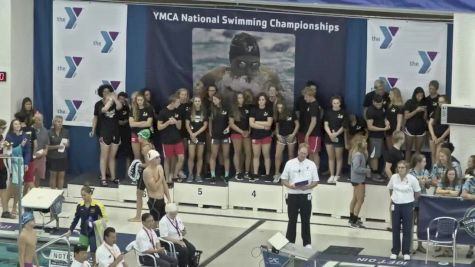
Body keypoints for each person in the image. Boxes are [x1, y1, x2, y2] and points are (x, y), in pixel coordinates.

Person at [199, 32, 282, 103]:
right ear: (231, 61)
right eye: (241, 65)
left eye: (254, 65)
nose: (248, 71)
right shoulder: (216, 76)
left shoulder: (269, 78)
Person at [281, 143, 319, 248]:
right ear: (298, 151)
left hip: (306, 195)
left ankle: (307, 243)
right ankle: (290, 241)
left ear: (307, 154)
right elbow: (283, 179)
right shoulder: (289, 163)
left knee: (305, 220)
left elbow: (316, 181)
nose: (303, 155)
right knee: (292, 219)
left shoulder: (311, 164)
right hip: (292, 195)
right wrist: (290, 186)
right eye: (301, 153)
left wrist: (306, 187)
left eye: (305, 154)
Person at [387, 160, 421, 261]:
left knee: (407, 229)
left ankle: (406, 252)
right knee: (395, 229)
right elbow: (390, 189)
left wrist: (411, 202)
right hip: (396, 205)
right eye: (399, 167)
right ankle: (395, 251)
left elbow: (417, 193)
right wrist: (394, 199)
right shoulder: (393, 177)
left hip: (408, 206)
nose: (400, 169)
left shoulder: (412, 179)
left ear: (407, 169)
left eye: (402, 167)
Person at [67, 184, 108, 266]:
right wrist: (70, 230)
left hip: (93, 233)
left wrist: (95, 223)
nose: (83, 197)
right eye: (82, 195)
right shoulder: (80, 206)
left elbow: (105, 219)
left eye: (85, 195)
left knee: (94, 252)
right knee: (81, 252)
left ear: (90, 194)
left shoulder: (97, 206)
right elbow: (76, 219)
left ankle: (94, 265)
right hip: (83, 233)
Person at [91, 84, 123, 186]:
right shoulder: (98, 104)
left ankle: (113, 177)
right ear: (101, 93)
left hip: (115, 131)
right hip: (104, 131)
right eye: (104, 91)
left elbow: (119, 107)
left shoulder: (114, 102)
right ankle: (103, 177)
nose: (106, 93)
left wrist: (114, 99)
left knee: (112, 156)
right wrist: (93, 129)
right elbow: (98, 115)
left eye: (108, 91)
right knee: (104, 156)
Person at [5, 119, 31, 215]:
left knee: (19, 186)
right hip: (11, 163)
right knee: (12, 186)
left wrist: (26, 163)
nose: (17, 125)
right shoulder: (9, 136)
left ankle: (14, 207)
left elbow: (27, 151)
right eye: (15, 124)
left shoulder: (25, 136)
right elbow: (7, 150)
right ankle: (5, 206)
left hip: (20, 163)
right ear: (12, 126)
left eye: (19, 123)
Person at [128, 129, 155, 222]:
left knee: (139, 194)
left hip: (146, 174)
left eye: (139, 136)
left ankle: (138, 217)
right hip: (150, 173)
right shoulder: (150, 145)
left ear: (144, 137)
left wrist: (138, 165)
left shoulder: (145, 148)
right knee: (149, 195)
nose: (137, 138)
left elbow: (149, 164)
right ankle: (152, 216)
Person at [159, 203, 197, 267]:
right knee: (184, 251)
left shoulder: (177, 218)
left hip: (180, 239)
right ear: (167, 212)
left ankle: (191, 264)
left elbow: (182, 229)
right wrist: (178, 242)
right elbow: (164, 237)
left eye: (175, 213)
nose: (174, 215)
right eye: (172, 213)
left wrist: (184, 231)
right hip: (170, 242)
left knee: (192, 249)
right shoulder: (163, 221)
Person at [157, 95, 184, 183]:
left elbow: (179, 127)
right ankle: (167, 178)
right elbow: (159, 127)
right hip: (167, 140)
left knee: (181, 158)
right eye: (178, 102)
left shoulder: (178, 111)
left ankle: (175, 175)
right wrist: (168, 122)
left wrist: (175, 122)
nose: (179, 104)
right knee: (167, 160)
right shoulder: (163, 112)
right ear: (172, 103)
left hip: (177, 139)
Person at [409, 153, 431, 254]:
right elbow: (409, 186)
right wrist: (418, 183)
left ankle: (420, 245)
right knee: (410, 224)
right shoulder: (410, 173)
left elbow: (428, 187)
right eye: (424, 161)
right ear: (418, 163)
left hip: (423, 202)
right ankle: (409, 246)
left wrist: (427, 182)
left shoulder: (425, 171)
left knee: (421, 225)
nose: (425, 163)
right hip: (412, 201)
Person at [366, 94, 390, 182]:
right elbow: (370, 126)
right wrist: (383, 129)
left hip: (382, 136)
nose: (379, 106)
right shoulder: (370, 111)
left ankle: (381, 172)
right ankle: (374, 173)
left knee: (380, 155)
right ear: (373, 102)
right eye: (377, 104)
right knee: (374, 156)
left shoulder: (382, 108)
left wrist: (386, 122)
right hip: (374, 137)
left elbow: (384, 118)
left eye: (380, 104)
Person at [249, 93, 273, 181]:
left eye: (263, 99)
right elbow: (251, 124)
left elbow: (269, 123)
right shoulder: (253, 110)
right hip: (256, 136)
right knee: (256, 155)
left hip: (266, 136)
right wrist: (263, 126)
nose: (261, 101)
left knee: (266, 155)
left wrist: (256, 122)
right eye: (260, 100)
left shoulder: (269, 110)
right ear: (257, 101)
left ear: (265, 101)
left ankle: (267, 174)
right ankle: (255, 174)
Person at [274, 100, 299, 183]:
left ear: (284, 106)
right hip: (281, 136)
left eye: (281, 107)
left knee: (291, 155)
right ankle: (277, 174)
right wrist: (277, 135)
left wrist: (293, 134)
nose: (279, 109)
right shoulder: (277, 114)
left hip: (290, 136)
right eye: (278, 108)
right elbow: (277, 126)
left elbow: (297, 124)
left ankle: (289, 175)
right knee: (278, 155)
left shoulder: (290, 112)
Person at [324, 96, 348, 183]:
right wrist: (330, 134)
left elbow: (344, 126)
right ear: (331, 103)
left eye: (337, 103)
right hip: (329, 137)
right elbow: (326, 124)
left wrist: (336, 134)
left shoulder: (344, 112)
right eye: (334, 103)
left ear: (340, 103)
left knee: (339, 157)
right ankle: (331, 175)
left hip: (339, 137)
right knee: (331, 157)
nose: (336, 104)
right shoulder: (328, 112)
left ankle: (337, 175)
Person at [229, 92, 252, 181]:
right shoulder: (233, 109)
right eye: (238, 98)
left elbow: (250, 120)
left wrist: (249, 131)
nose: (240, 99)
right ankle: (238, 172)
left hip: (246, 133)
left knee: (248, 152)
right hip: (236, 133)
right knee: (237, 152)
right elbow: (231, 124)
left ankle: (246, 172)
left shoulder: (247, 108)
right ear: (236, 99)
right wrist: (241, 131)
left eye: (241, 97)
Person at [209, 93, 231, 183]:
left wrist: (228, 127)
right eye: (213, 99)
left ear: (220, 99)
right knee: (213, 155)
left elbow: (230, 121)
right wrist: (210, 132)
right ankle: (213, 175)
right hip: (215, 136)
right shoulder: (211, 109)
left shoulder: (226, 108)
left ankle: (226, 175)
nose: (214, 101)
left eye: (215, 99)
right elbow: (210, 122)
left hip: (225, 136)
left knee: (226, 156)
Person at [144, 150, 171, 222]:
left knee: (163, 223)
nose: (160, 159)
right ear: (151, 160)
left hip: (162, 200)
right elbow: (154, 188)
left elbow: (164, 184)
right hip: (154, 202)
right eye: (157, 158)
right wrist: (161, 176)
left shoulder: (159, 167)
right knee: (155, 224)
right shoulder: (147, 172)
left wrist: (169, 198)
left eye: (159, 157)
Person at [349, 138, 371, 228]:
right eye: (364, 142)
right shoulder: (358, 155)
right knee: (360, 200)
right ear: (360, 144)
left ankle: (352, 218)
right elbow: (356, 168)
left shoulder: (359, 153)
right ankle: (354, 221)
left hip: (356, 179)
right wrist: (367, 170)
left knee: (355, 198)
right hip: (358, 180)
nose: (366, 143)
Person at [298, 86, 322, 168]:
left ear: (309, 95)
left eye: (305, 96)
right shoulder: (310, 105)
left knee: (315, 153)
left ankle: (316, 172)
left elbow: (314, 121)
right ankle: (310, 171)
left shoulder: (314, 105)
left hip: (314, 133)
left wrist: (307, 134)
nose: (304, 98)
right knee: (310, 152)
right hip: (310, 133)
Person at [186, 96, 208, 183]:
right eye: (196, 101)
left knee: (199, 156)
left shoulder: (204, 112)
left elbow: (205, 125)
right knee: (191, 156)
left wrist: (196, 133)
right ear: (193, 102)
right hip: (191, 137)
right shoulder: (189, 112)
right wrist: (191, 134)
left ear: (201, 102)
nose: (197, 102)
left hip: (200, 136)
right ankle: (190, 174)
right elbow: (187, 124)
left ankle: (198, 175)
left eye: (199, 101)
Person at [15, 112, 37, 196]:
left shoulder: (18, 131)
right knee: (27, 180)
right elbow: (36, 144)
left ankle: (38, 198)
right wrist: (33, 155)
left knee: (29, 181)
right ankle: (24, 199)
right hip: (30, 159)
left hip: (20, 160)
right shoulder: (32, 129)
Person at [403, 87, 427, 162]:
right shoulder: (409, 102)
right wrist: (416, 110)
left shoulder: (424, 102)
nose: (420, 97)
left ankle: (416, 167)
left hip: (421, 129)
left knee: (418, 150)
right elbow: (406, 116)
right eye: (418, 95)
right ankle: (407, 166)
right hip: (410, 128)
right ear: (415, 94)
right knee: (408, 149)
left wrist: (425, 111)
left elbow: (425, 119)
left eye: (422, 95)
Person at [129, 92, 154, 160]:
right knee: (137, 156)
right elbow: (131, 124)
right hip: (135, 134)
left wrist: (136, 123)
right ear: (136, 100)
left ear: (144, 100)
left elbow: (149, 123)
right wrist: (143, 122)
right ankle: (137, 170)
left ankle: (146, 170)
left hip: (145, 134)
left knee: (146, 155)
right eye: (138, 100)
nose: (139, 102)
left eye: (141, 100)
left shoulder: (149, 108)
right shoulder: (133, 109)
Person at [47, 115, 69, 190]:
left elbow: (68, 144)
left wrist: (67, 144)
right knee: (53, 175)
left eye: (61, 122)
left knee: (61, 175)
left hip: (62, 157)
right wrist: (57, 147)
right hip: (52, 157)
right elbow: (47, 147)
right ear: (54, 122)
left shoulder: (66, 131)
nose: (60, 123)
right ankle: (52, 194)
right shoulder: (49, 132)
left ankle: (59, 193)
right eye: (58, 122)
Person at [428, 95, 450, 164]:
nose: (440, 104)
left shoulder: (450, 111)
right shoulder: (436, 110)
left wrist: (441, 138)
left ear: (447, 102)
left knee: (438, 156)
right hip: (434, 137)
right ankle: (433, 172)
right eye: (439, 102)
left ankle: (437, 172)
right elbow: (430, 124)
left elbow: (450, 128)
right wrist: (433, 135)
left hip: (443, 138)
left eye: (442, 102)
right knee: (433, 155)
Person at [0, 119, 14, 219]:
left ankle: (5, 211)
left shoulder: (2, 138)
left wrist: (7, 151)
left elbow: (5, 151)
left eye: (5, 128)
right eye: (2, 128)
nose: (4, 130)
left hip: (1, 166)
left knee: (3, 189)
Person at [32, 113, 49, 188]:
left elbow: (46, 144)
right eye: (37, 119)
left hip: (41, 157)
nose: (39, 121)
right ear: (33, 120)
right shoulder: (30, 129)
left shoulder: (45, 131)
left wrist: (45, 151)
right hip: (31, 158)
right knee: (29, 178)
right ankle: (27, 195)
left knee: (38, 177)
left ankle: (35, 192)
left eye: (40, 120)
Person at [461, 175, 475, 258]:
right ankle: (470, 249)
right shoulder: (470, 181)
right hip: (471, 209)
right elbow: (463, 194)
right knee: (472, 228)